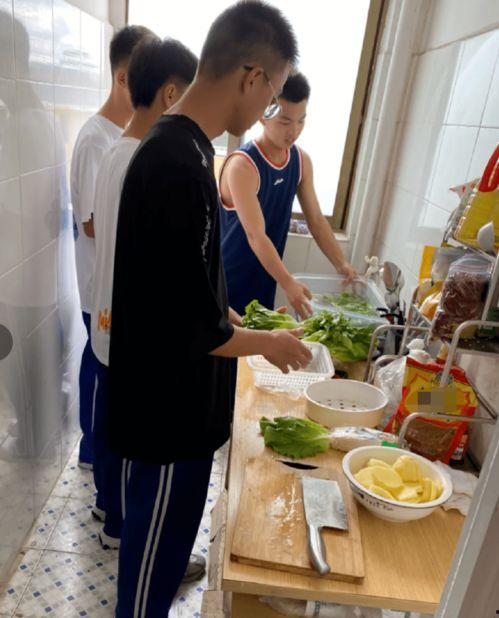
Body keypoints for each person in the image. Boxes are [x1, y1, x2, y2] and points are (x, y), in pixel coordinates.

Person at [108, 2, 312, 615]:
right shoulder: (176, 161)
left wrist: (233, 314)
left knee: (168, 550)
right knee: (149, 572)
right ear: (252, 78)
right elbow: (191, 327)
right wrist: (269, 343)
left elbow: (186, 282)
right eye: (272, 94)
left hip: (183, 411)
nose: (268, 108)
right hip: (166, 416)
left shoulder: (194, 151)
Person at [90, 37, 199, 586]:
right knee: (131, 446)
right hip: (130, 328)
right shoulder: (149, 159)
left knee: (115, 430)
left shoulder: (118, 151)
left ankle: (110, 516)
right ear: (171, 93)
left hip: (109, 321)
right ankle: (126, 530)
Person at [70, 25, 153, 476]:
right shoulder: (94, 139)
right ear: (123, 78)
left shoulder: (120, 134)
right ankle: (91, 448)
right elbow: (90, 223)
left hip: (112, 283)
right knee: (97, 366)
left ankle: (99, 448)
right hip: (96, 282)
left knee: (104, 366)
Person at [219, 71, 357, 322]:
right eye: (285, 121)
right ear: (264, 115)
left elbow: (315, 219)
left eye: (301, 121)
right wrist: (287, 281)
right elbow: (255, 235)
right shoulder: (243, 165)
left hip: (264, 281)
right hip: (225, 283)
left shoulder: (301, 161)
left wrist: (342, 264)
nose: (294, 131)